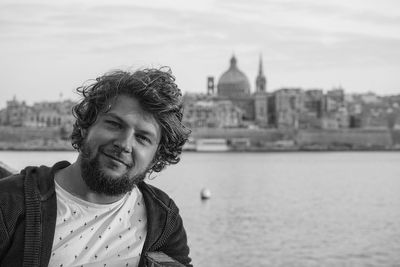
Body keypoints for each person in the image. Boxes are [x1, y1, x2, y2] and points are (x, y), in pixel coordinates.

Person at [0, 68, 192, 267]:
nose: (125, 144)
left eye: (142, 138)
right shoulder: (10, 204)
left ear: (156, 156)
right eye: (114, 125)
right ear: (86, 126)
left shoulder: (163, 220)